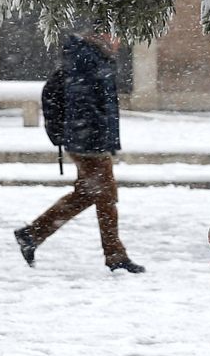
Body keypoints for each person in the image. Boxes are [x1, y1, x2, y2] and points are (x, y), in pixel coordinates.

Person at [13, 25, 144, 273]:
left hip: (90, 140)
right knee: (106, 198)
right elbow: (85, 105)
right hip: (89, 143)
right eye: (116, 35)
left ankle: (31, 235)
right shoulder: (87, 60)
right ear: (102, 35)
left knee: (86, 195)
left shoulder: (93, 58)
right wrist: (93, 138)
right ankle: (115, 255)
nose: (119, 42)